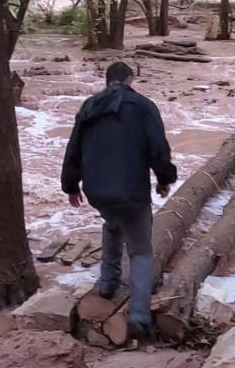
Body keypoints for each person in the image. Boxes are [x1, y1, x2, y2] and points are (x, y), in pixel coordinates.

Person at [61, 61, 177, 337]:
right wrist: (164, 179)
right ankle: (138, 316)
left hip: (97, 191)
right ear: (130, 79)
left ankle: (107, 284)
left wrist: (70, 186)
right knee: (140, 251)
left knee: (112, 224)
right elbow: (158, 148)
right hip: (132, 191)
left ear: (106, 80)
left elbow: (73, 147)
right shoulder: (144, 106)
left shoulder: (89, 106)